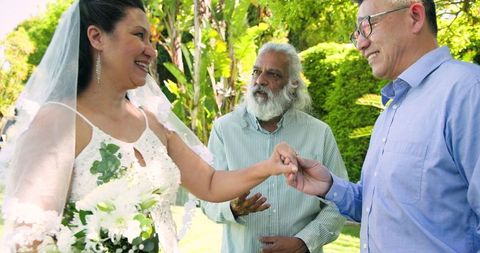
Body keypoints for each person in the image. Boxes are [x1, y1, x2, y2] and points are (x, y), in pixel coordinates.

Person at [0, 1, 297, 252]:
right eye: (139, 35)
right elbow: (29, 240)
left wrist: (270, 166)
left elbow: (210, 183)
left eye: (151, 40)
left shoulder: (151, 123)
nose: (151, 51)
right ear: (96, 37)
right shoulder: (60, 122)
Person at [284, 0, 480, 252]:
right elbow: (380, 209)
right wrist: (330, 186)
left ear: (415, 16)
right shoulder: (390, 112)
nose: (361, 44)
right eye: (357, 34)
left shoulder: (467, 91)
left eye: (367, 26)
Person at [201, 42, 349, 253]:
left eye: (273, 74)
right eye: (256, 72)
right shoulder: (224, 130)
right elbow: (206, 197)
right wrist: (231, 208)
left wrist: (303, 242)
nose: (260, 80)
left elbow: (338, 202)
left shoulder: (319, 133)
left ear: (293, 84)